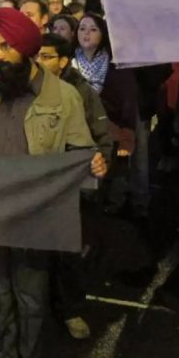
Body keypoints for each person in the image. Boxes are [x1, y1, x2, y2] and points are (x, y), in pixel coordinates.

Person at [0, 8, 100, 358]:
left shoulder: (62, 95)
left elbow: (81, 150)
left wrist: (94, 163)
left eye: (6, 47)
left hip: (36, 216)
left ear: (27, 49)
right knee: (1, 295)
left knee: (31, 299)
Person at [37, 33, 113, 340]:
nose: (39, 62)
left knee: (69, 252)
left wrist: (100, 161)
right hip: (37, 182)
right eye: (37, 56)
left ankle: (71, 309)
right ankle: (36, 307)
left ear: (64, 61)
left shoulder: (80, 91)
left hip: (70, 185)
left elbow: (101, 135)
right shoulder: (28, 87)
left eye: (46, 56)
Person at [72, 13, 138, 216]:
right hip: (77, 133)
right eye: (82, 28)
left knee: (107, 182)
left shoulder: (115, 67)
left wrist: (126, 135)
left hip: (109, 131)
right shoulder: (69, 65)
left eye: (93, 29)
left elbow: (128, 100)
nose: (86, 34)